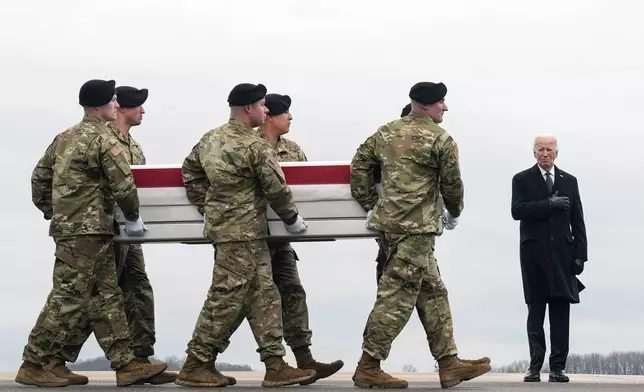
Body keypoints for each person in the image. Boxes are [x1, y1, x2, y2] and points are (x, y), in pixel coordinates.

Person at [20, 79, 167, 387]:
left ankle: (124, 363)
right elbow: (124, 185)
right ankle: (34, 362)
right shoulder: (104, 139)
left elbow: (39, 180)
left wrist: (56, 211)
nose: (117, 105)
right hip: (92, 230)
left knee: (104, 296)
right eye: (114, 100)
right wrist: (133, 217)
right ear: (101, 105)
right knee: (68, 297)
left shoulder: (64, 137)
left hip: (74, 229)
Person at [349, 81, 491, 389]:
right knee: (397, 296)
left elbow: (359, 164)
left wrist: (370, 205)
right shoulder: (440, 139)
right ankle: (369, 365)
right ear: (425, 105)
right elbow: (452, 183)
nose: (445, 107)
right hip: (417, 231)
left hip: (390, 228)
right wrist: (454, 212)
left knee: (433, 293)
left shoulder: (385, 132)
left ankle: (449, 362)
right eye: (441, 102)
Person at [176, 83, 316, 388]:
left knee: (264, 295)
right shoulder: (255, 146)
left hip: (233, 230)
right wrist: (291, 219)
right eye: (263, 106)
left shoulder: (210, 139)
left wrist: (211, 206)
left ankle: (275, 364)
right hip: (244, 232)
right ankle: (196, 363)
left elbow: (190, 172)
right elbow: (276, 189)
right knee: (225, 297)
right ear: (250, 108)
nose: (266, 111)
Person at [510, 134, 588, 383]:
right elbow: (517, 211)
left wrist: (580, 256)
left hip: (564, 258)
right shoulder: (522, 179)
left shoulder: (570, 181)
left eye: (549, 149)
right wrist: (548, 204)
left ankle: (557, 368)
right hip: (533, 257)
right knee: (535, 311)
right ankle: (534, 367)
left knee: (560, 313)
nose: (545, 153)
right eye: (541, 149)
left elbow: (578, 222)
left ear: (557, 153)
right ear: (534, 153)